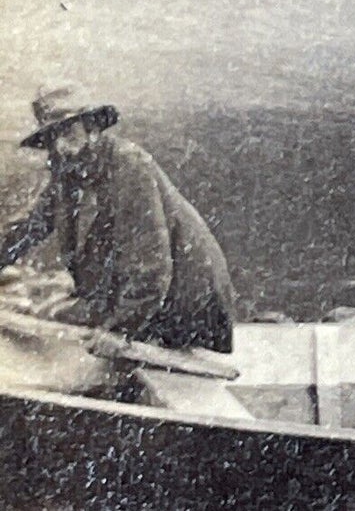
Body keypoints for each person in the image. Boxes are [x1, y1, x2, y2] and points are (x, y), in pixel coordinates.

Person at [0, 83, 237, 352]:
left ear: (92, 128)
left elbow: (152, 266)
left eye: (68, 131)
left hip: (185, 308)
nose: (61, 146)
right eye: (52, 137)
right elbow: (27, 228)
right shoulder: (69, 173)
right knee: (52, 313)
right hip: (140, 301)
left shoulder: (129, 166)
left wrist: (119, 331)